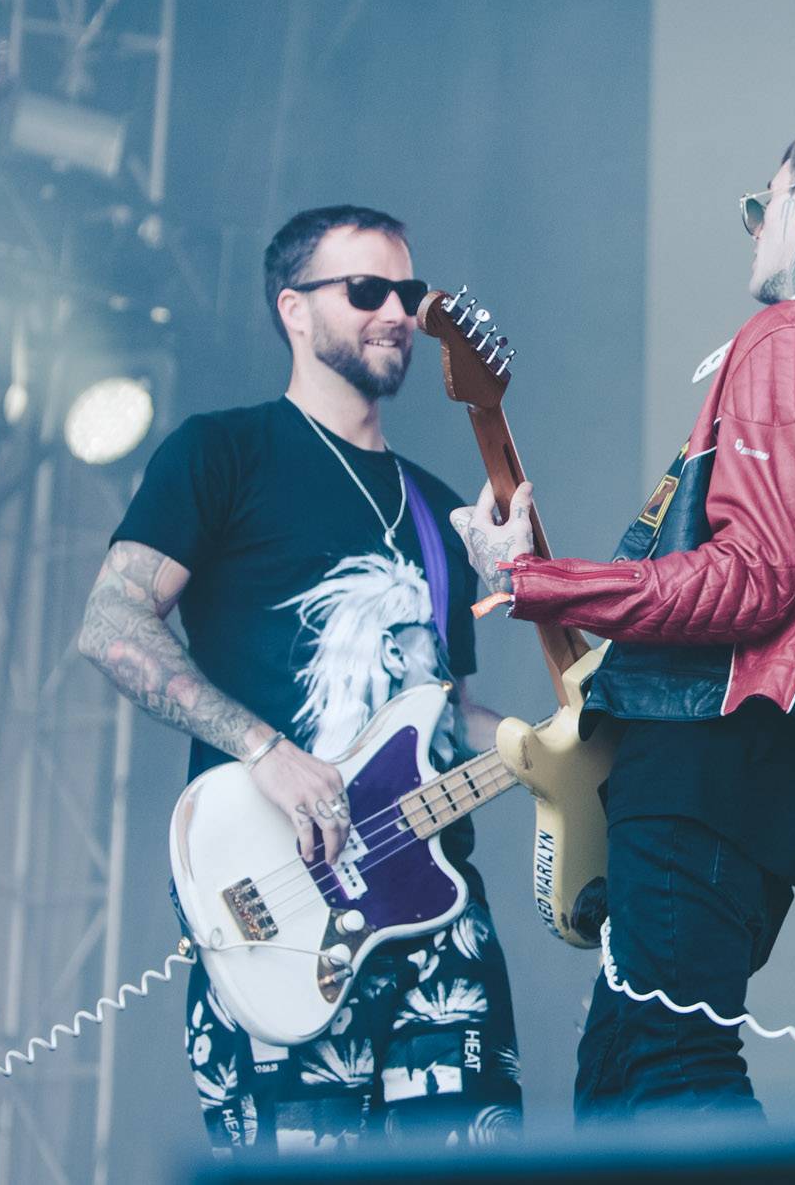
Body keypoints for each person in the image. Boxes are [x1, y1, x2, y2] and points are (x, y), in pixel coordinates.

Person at [454, 112, 795, 1119]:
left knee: (677, 1065)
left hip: (711, 747)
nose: (757, 227)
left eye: (759, 204)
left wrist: (533, 584)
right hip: (781, 764)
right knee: (619, 1074)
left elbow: (752, 580)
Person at [79, 205, 522, 1153]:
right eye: (365, 290)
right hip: (278, 903)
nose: (397, 312)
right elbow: (111, 622)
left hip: (437, 909)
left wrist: (546, 740)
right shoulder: (223, 453)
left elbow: (445, 714)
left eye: (407, 292)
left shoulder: (440, 510)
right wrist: (263, 748)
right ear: (294, 309)